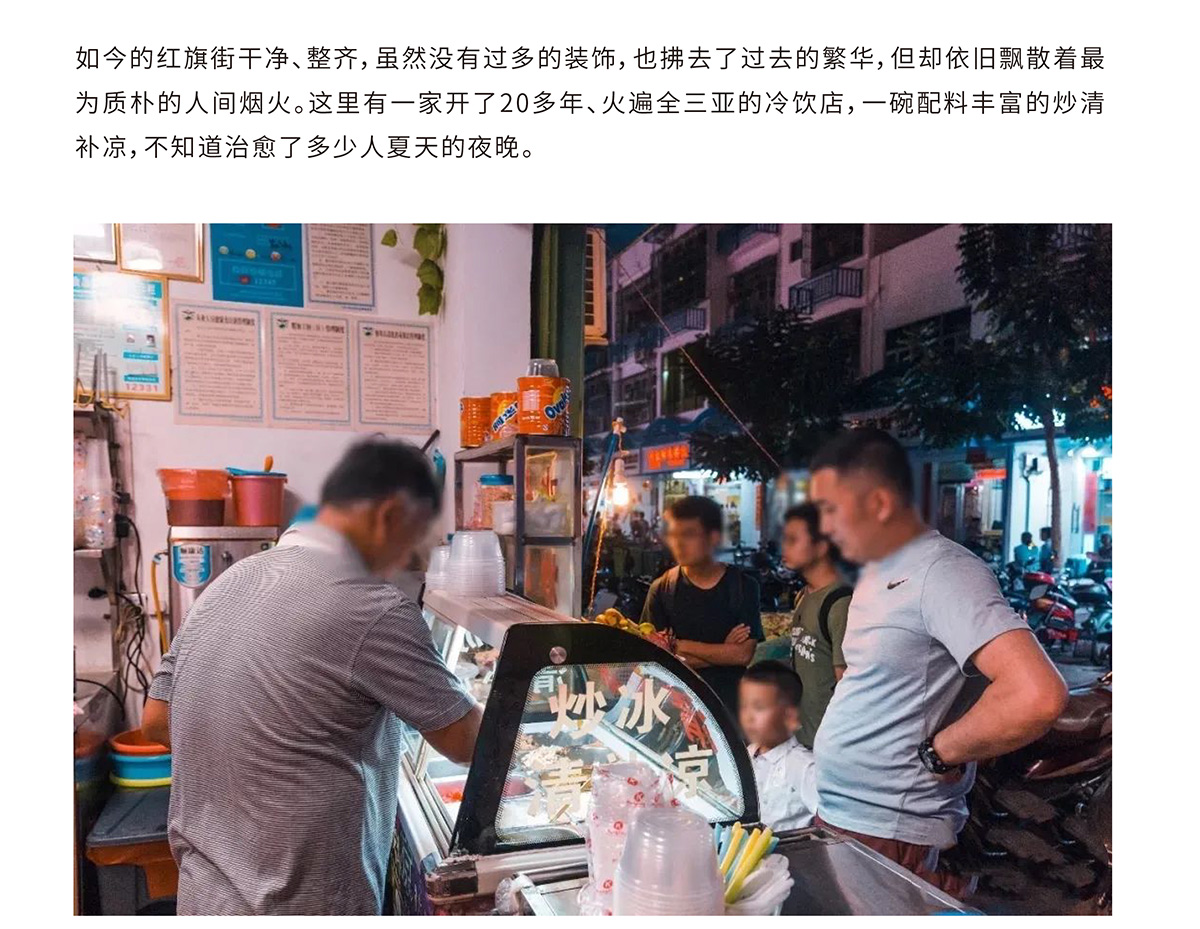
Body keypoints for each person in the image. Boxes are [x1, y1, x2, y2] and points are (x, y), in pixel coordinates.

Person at [140, 440, 484, 915]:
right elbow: (468, 743)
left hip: (205, 899)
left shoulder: (226, 585)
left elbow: (157, 721)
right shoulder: (372, 605)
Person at [807, 428, 1068, 893]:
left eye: (830, 509)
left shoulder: (943, 571)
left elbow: (1036, 694)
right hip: (843, 813)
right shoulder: (877, 574)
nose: (823, 527)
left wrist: (940, 751)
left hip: (889, 828)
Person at [641, 496, 764, 715]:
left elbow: (743, 655)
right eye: (674, 534)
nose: (679, 543)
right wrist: (723, 653)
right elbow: (656, 659)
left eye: (689, 534)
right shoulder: (663, 589)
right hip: (675, 711)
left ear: (713, 537)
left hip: (727, 710)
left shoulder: (742, 587)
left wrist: (679, 645)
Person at [781, 503, 852, 749]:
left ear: (822, 546)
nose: (784, 547)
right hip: (803, 738)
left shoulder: (840, 603)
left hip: (830, 745)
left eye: (793, 540)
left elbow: (846, 682)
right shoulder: (804, 595)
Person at [739, 661, 818, 831]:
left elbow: (829, 820)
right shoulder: (744, 756)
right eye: (745, 706)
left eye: (759, 707)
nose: (748, 717)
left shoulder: (804, 767)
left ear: (788, 715)